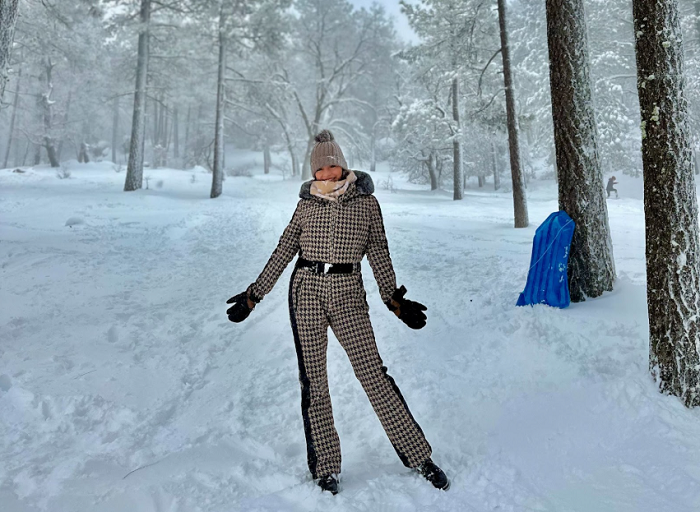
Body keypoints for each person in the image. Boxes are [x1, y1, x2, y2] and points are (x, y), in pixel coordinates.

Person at [226, 130, 449, 495]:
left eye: (332, 165)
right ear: (313, 172)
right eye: (320, 168)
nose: (326, 173)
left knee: (373, 375)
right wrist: (254, 295)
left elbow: (378, 251)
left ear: (343, 165)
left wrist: (395, 300)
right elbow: (284, 249)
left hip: (347, 293)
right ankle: (326, 467)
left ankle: (418, 455)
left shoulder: (366, 204)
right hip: (306, 292)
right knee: (314, 381)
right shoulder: (306, 205)